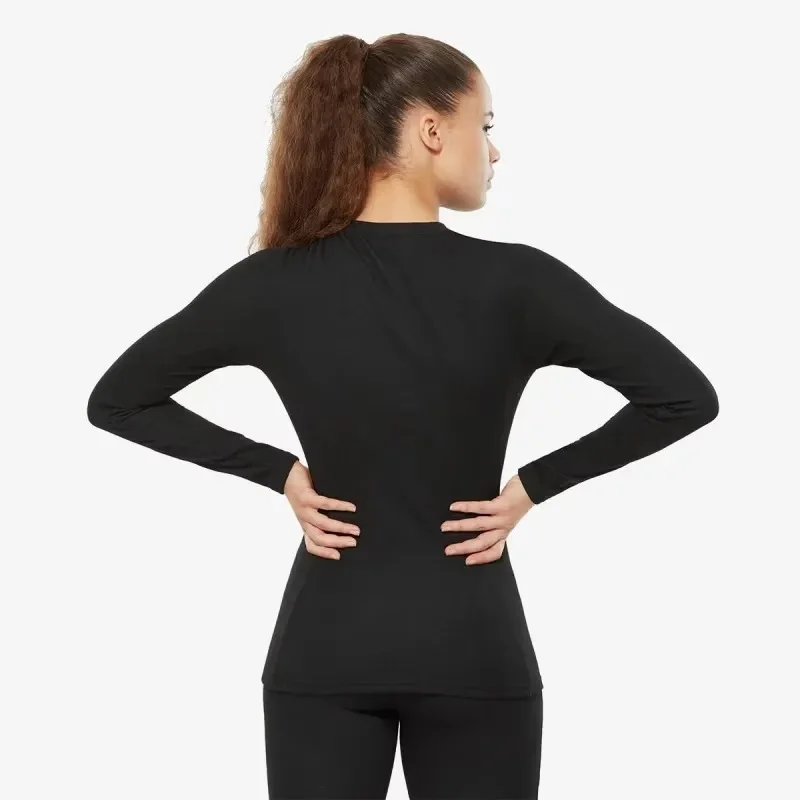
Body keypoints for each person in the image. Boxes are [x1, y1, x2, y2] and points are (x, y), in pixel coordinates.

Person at [86, 32, 719, 800]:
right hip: (473, 646)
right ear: (430, 129)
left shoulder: (273, 284)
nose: (494, 150)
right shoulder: (519, 283)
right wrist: (529, 489)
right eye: (485, 124)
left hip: (325, 645)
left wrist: (282, 475)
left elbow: (119, 399)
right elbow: (682, 396)